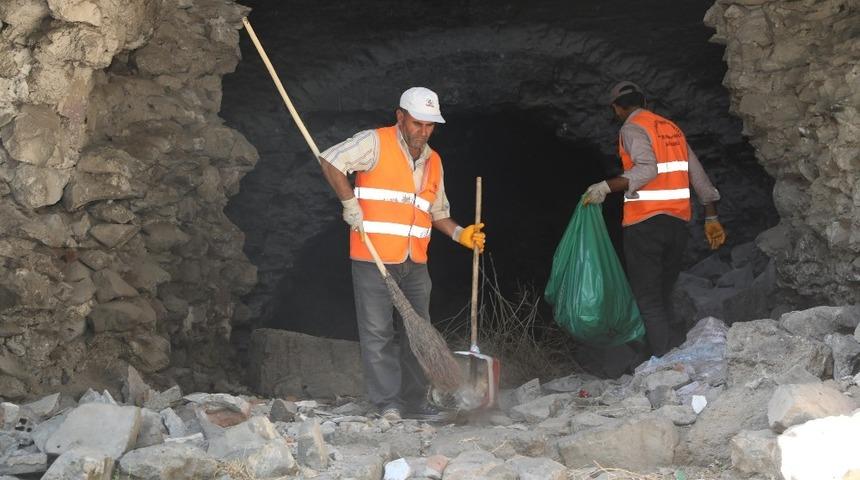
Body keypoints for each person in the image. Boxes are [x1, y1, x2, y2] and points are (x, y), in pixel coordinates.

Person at [318, 87, 486, 421]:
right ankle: (387, 403)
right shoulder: (375, 142)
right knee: (378, 333)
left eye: (429, 126)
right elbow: (330, 160)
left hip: (415, 262)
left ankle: (414, 401)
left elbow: (436, 212)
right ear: (400, 117)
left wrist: (459, 233)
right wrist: (349, 203)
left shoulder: (434, 161)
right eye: (417, 123)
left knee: (417, 335)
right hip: (373, 258)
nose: (423, 132)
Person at [583, 81, 726, 358]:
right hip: (677, 225)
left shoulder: (631, 128)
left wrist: (604, 187)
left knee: (648, 298)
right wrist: (711, 218)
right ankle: (661, 353)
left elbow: (647, 170)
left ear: (617, 108)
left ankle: (662, 362)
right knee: (661, 292)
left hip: (645, 224)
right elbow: (699, 177)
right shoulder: (671, 128)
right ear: (644, 101)